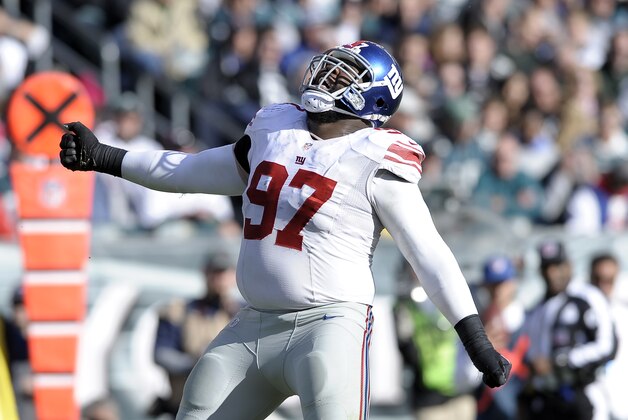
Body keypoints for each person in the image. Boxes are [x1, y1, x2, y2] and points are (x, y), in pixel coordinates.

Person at [59, 40, 511, 419]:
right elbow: (190, 171)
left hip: (330, 325)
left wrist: (475, 340)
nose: (326, 78)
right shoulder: (276, 129)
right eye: (329, 69)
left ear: (373, 97)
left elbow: (429, 255)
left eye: (343, 76)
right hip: (254, 321)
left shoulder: (378, 157)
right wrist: (105, 158)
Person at [519, 240, 617, 420]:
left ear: (569, 266)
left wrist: (559, 361)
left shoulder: (588, 297)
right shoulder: (537, 309)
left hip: (583, 392)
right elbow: (530, 355)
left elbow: (607, 347)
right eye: (547, 267)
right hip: (548, 398)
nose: (552, 273)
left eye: (557, 266)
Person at [151, 251, 241, 416]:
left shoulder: (244, 314)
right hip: (184, 405)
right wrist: (198, 365)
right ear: (205, 273)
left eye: (222, 273)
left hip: (230, 406)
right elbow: (161, 354)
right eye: (214, 272)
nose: (218, 278)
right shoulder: (180, 311)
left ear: (233, 275)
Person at [393, 259, 477, 420]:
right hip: (428, 397)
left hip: (460, 392)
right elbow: (407, 352)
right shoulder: (404, 306)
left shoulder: (451, 295)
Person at [589, 252, 628, 420]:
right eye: (598, 279)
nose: (603, 286)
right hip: (593, 403)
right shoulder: (579, 315)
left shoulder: (623, 314)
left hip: (621, 402)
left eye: (609, 280)